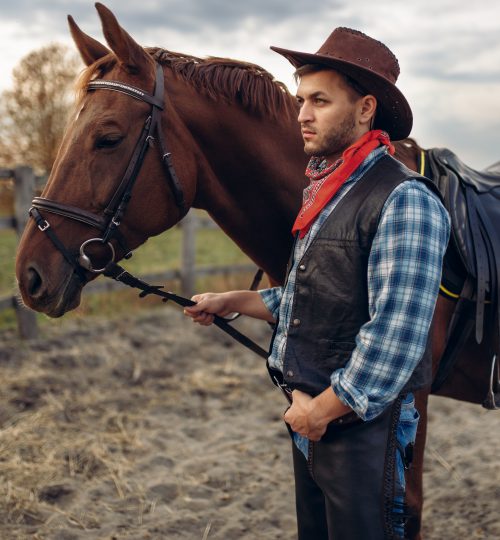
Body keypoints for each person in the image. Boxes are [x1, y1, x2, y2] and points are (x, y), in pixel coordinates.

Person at [184, 27, 450, 540]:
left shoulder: (405, 199)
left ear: (366, 109)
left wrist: (320, 411)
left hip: (360, 430)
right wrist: (239, 300)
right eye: (300, 99)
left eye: (320, 101)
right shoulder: (328, 191)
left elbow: (397, 337)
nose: (301, 114)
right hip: (312, 421)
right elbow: (328, 297)